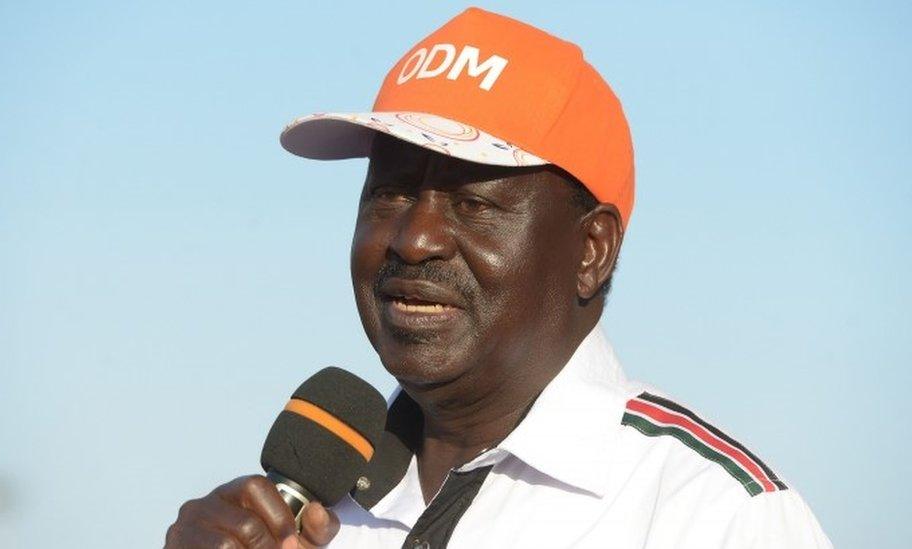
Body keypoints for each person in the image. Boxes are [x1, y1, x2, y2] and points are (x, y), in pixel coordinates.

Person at [165, 7, 832, 548]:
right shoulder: (309, 514)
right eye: (393, 192)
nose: (414, 239)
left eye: (473, 202)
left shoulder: (716, 517)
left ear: (591, 250)